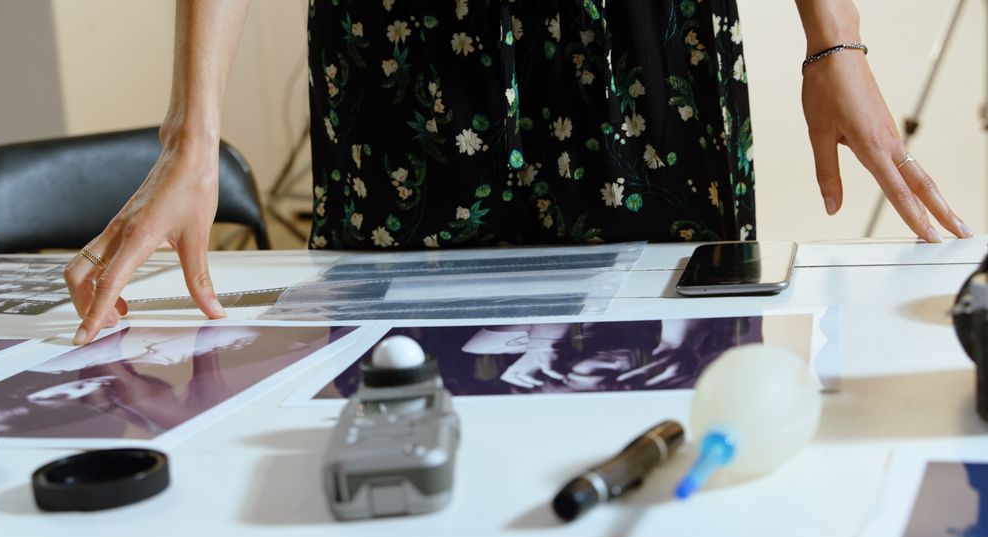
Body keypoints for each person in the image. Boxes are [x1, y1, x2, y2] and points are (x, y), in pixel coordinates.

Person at [65, 0, 973, 346]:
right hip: (406, 61)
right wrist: (193, 131)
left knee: (668, 374)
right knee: (393, 387)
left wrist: (833, 39)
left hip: (633, 53)